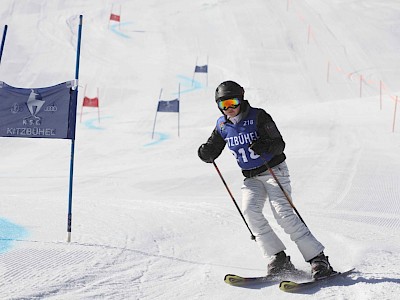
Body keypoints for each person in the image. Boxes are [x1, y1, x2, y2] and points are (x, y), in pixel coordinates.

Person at [197, 80, 335, 279]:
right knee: (250, 212)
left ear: (242, 99)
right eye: (224, 105)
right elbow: (212, 148)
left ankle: (318, 259)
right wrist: (205, 153)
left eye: (233, 102)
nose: (229, 109)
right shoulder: (222, 125)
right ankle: (278, 258)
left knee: (283, 214)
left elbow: (279, 144)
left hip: (273, 171)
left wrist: (265, 146)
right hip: (251, 178)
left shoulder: (259, 116)